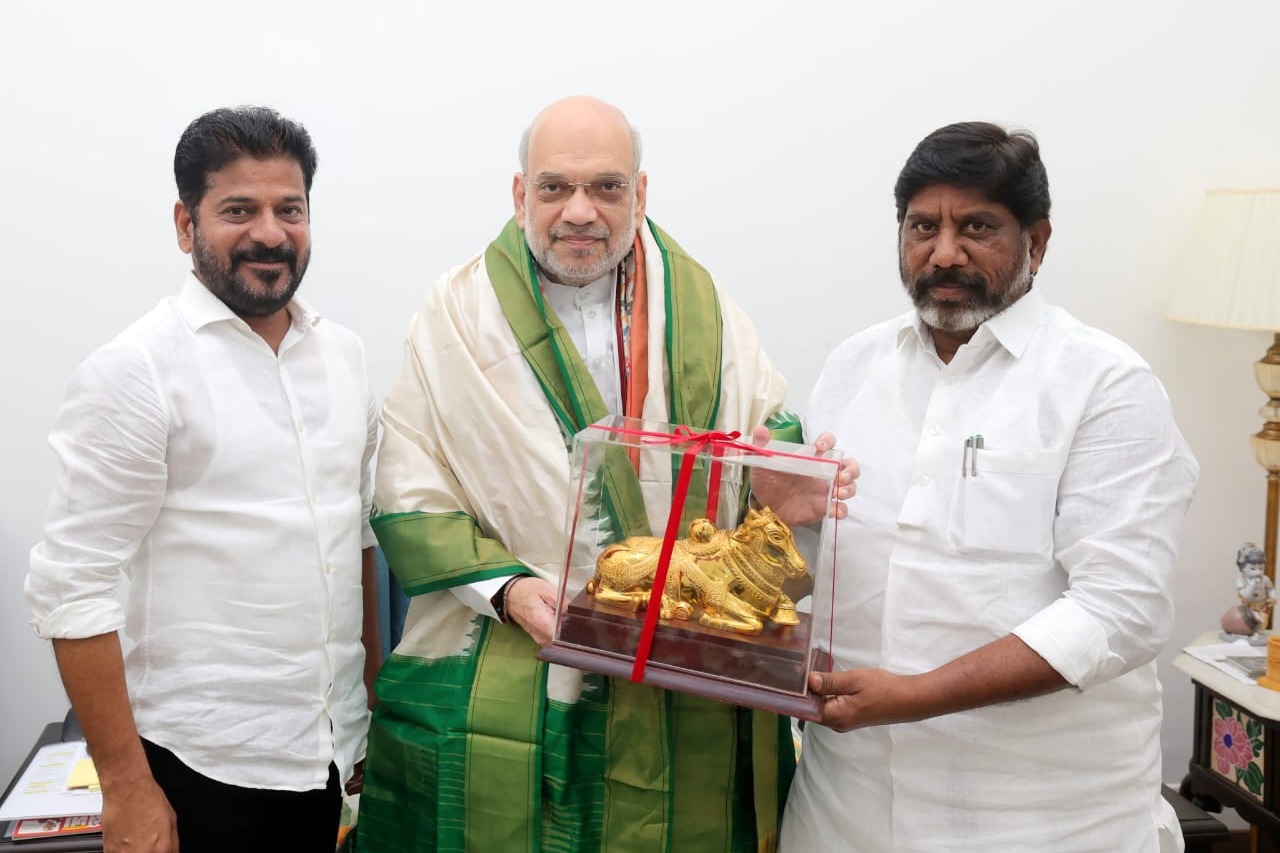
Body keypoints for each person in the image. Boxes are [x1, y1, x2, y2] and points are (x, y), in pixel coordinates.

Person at [353, 95, 854, 853]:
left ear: (640, 194)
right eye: (555, 187)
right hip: (514, 637)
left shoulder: (707, 307)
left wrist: (779, 483)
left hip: (685, 657)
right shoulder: (453, 315)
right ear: (521, 194)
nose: (580, 211)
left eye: (607, 188)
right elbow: (410, 487)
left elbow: (762, 438)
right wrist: (512, 590)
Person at [782, 122, 1199, 852]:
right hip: (843, 809)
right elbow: (814, 566)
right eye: (922, 226)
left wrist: (917, 696)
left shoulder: (1103, 384)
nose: (944, 252)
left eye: (977, 226)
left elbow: (1120, 611)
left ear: (1036, 243)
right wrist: (776, 527)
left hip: (1045, 820)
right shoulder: (854, 366)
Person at [25, 106, 381, 853]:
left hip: (326, 755)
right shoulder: (136, 372)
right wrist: (126, 786)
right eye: (238, 210)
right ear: (186, 226)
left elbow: (356, 543)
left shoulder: (345, 356)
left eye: (290, 209)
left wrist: (365, 707)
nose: (270, 233)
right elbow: (70, 589)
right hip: (199, 770)